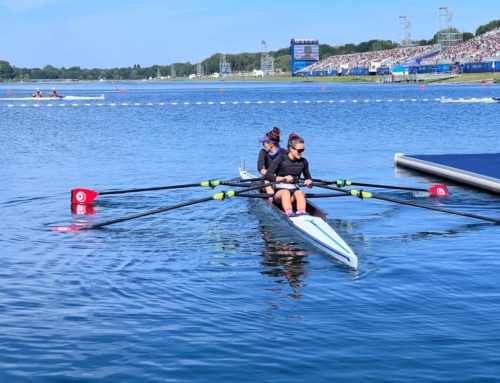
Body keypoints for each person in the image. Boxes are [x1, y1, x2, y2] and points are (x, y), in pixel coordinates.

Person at [264, 133, 313, 217]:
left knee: (300, 192)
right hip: (280, 193)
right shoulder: (281, 158)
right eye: (300, 150)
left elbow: (309, 179)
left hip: (294, 194)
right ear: (291, 148)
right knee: (285, 192)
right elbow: (267, 175)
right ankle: (289, 214)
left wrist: (309, 183)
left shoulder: (304, 162)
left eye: (303, 150)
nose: (302, 153)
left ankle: (302, 214)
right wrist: (283, 178)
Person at [257, 127, 284, 197]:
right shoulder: (263, 152)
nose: (263, 145)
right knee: (267, 179)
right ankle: (271, 198)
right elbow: (260, 167)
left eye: (264, 143)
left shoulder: (284, 153)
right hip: (268, 181)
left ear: (270, 144)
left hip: (281, 181)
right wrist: (271, 176)